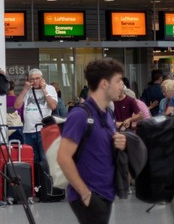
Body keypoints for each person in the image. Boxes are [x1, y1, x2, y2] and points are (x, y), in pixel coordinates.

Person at [57, 58, 127, 224]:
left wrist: (120, 143)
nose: (121, 86)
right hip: (90, 195)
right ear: (104, 84)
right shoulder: (80, 115)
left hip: (106, 193)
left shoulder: (108, 114)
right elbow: (63, 157)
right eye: (118, 81)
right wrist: (85, 193)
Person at [14, 68, 58, 162]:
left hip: (43, 130)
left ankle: (45, 177)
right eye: (32, 79)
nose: (34, 81)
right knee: (31, 160)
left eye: (37, 78)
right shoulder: (27, 90)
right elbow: (17, 105)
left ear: (42, 78)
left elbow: (53, 106)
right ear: (28, 80)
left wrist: (44, 90)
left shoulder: (50, 88)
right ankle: (35, 177)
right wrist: (25, 89)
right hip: (28, 130)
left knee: (45, 159)